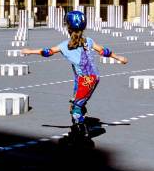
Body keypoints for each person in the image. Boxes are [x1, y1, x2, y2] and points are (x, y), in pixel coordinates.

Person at [21, 10, 127, 143]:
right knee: (78, 103)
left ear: (68, 28)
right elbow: (104, 51)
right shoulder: (89, 41)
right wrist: (119, 58)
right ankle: (79, 126)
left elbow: (47, 52)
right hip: (92, 78)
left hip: (85, 80)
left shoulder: (65, 45)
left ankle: (81, 136)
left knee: (75, 109)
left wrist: (30, 51)